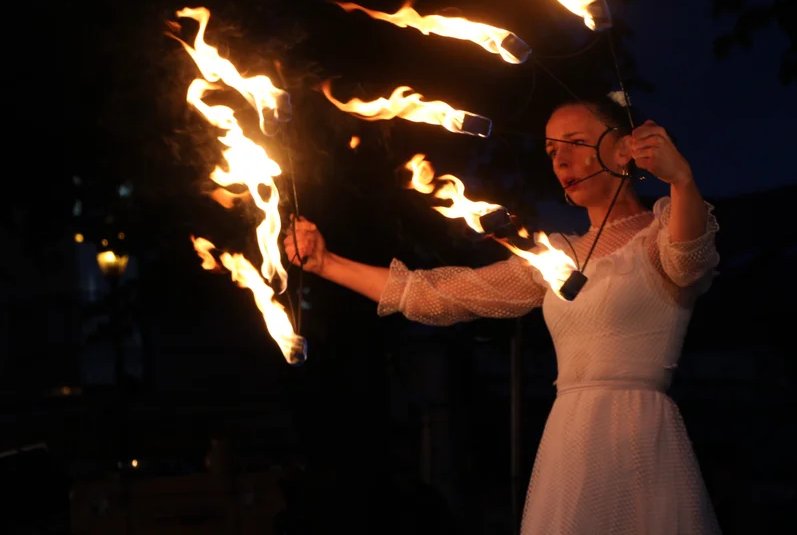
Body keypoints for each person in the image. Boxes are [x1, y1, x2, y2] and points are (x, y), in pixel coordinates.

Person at [283, 94, 722, 535]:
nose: (560, 159)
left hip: (640, 433)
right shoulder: (555, 257)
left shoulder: (663, 230)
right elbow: (436, 296)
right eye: (552, 150)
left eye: (574, 142)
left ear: (625, 148)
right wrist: (326, 263)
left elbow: (688, 263)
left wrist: (681, 179)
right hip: (570, 437)